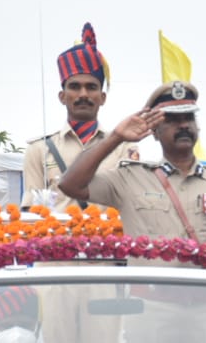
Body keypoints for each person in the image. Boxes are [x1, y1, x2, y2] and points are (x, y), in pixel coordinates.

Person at [57, 81, 206, 265]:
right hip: (150, 301)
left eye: (189, 118)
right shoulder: (130, 179)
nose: (184, 125)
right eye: (173, 120)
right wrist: (116, 138)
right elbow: (70, 184)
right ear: (154, 132)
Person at [22, 22, 138, 209]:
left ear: (102, 97)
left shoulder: (123, 148)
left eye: (91, 87)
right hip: (58, 238)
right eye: (75, 87)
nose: (83, 94)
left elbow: (131, 202)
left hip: (108, 237)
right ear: (62, 97)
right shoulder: (39, 149)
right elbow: (31, 209)